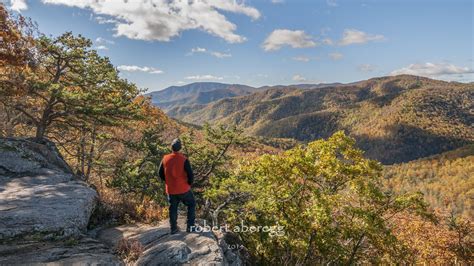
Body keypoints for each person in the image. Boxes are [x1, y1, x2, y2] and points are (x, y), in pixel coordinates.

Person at [159, 138, 196, 234]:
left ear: (171, 147)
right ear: (180, 148)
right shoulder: (184, 159)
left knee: (173, 208)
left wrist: (167, 181)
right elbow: (190, 174)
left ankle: (173, 228)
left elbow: (160, 173)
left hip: (171, 189)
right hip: (183, 189)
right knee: (191, 204)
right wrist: (189, 184)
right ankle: (190, 227)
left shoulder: (165, 158)